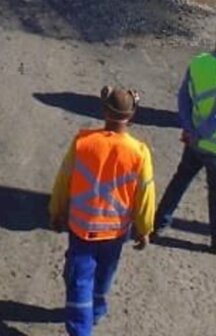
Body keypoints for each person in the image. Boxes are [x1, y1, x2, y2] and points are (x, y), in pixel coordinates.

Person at [49, 86, 154, 336]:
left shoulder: (83, 143)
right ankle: (95, 311)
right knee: (104, 275)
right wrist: (145, 228)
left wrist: (56, 210)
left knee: (79, 281)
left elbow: (64, 179)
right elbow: (146, 194)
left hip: (82, 229)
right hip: (116, 231)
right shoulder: (139, 152)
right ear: (132, 115)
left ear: (104, 111)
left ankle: (81, 329)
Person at [153, 30, 216, 260]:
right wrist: (199, 136)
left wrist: (189, 130)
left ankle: (158, 224)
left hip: (194, 143)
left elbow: (183, 98)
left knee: (180, 181)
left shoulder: (198, 63)